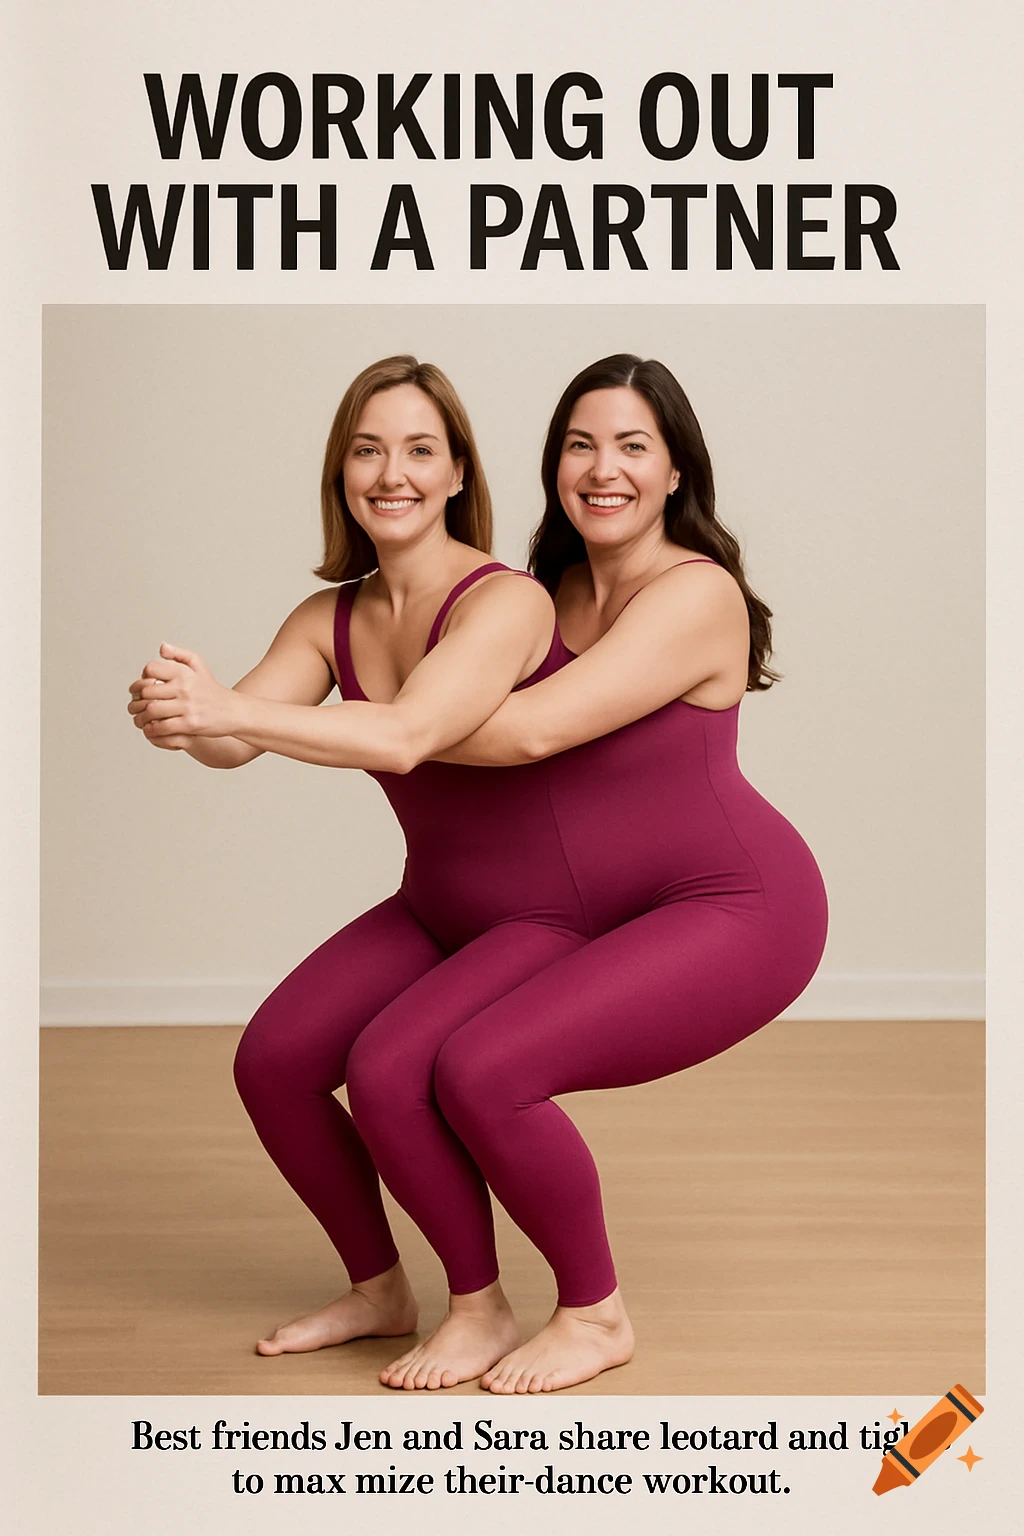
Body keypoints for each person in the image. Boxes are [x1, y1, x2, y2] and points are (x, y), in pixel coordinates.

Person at [128, 354, 582, 1379]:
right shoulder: (328, 618)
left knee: (389, 1067)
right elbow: (234, 741)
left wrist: (230, 711)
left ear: (459, 471)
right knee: (274, 1063)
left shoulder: (505, 602)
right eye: (368, 450)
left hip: (546, 913)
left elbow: (409, 735)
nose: (393, 472)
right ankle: (379, 1287)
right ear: (340, 473)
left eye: (420, 449)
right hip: (437, 904)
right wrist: (182, 711)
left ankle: (482, 1307)